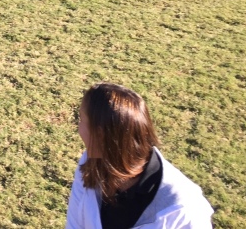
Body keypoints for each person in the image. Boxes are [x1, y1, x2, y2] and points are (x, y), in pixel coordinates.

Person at [66, 83, 214, 229]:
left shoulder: (184, 209)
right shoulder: (90, 165)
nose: (78, 128)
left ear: (100, 135)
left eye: (81, 120)